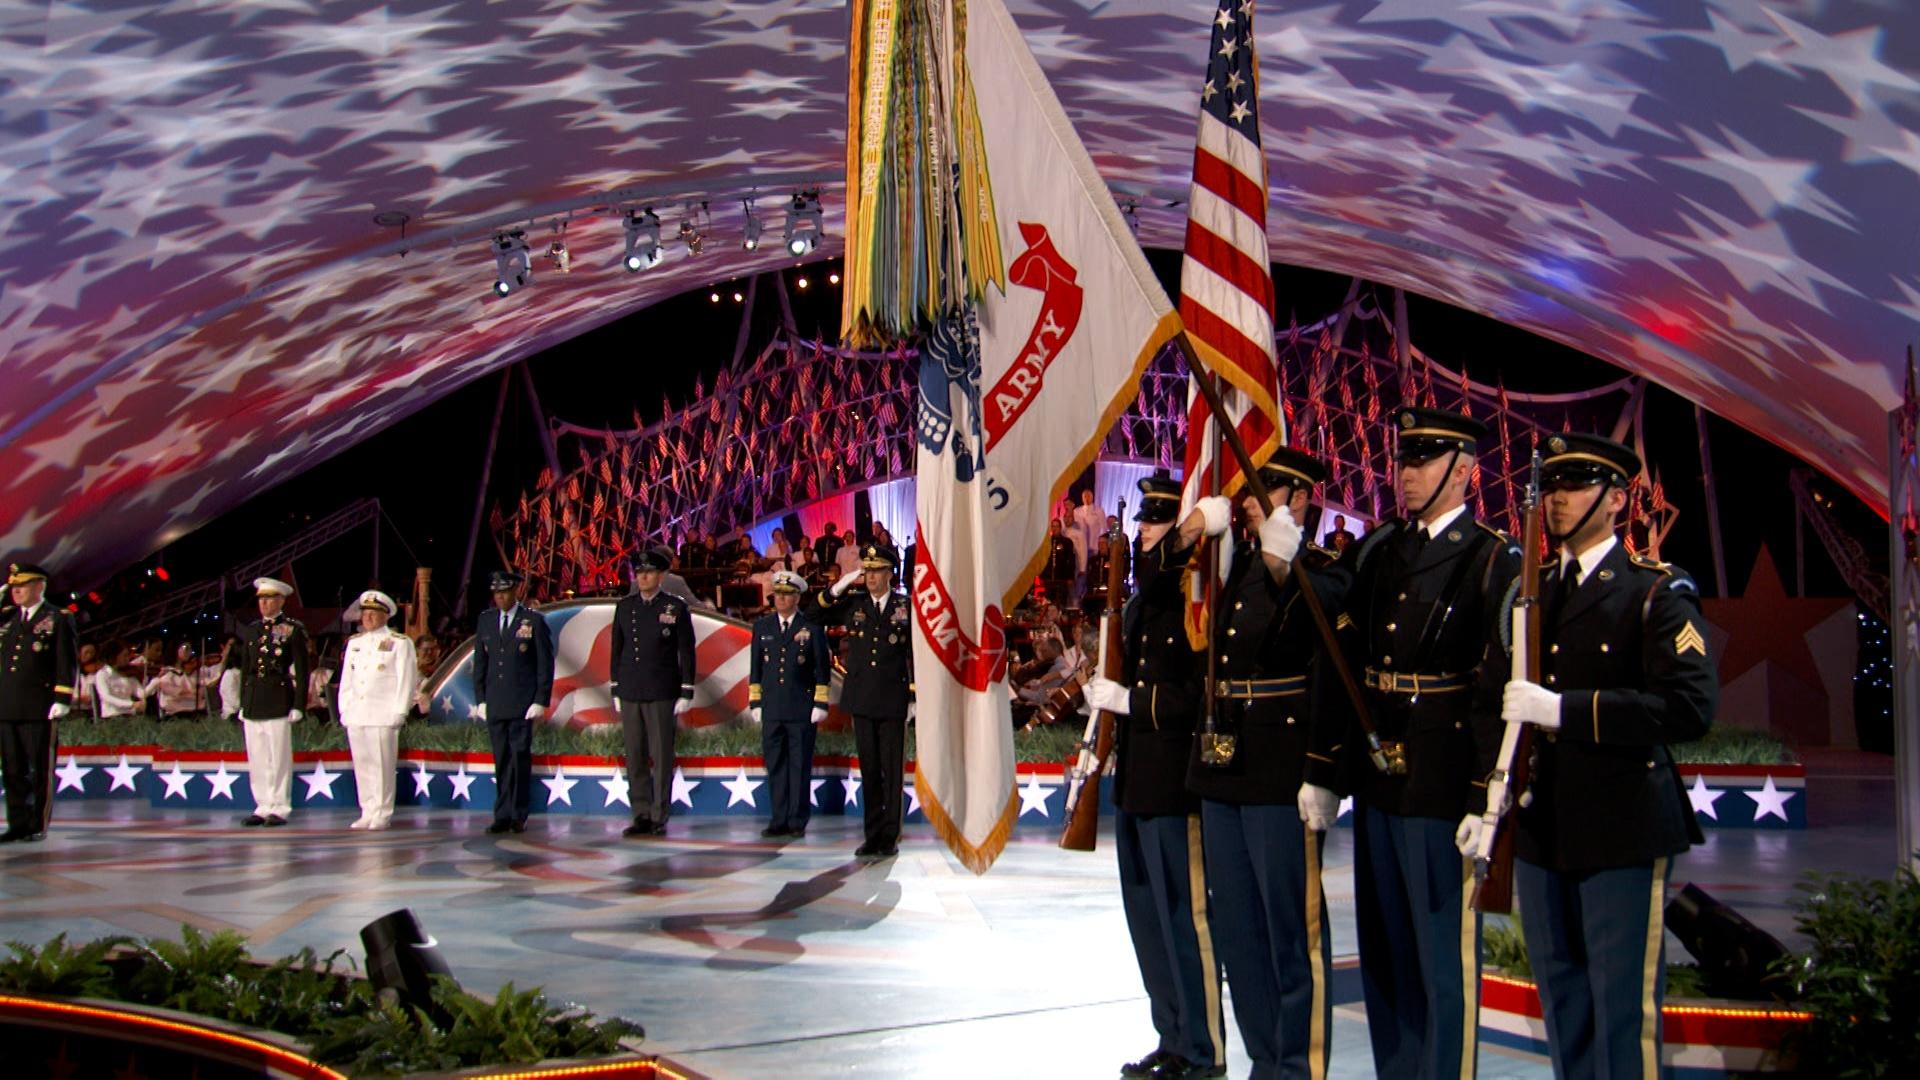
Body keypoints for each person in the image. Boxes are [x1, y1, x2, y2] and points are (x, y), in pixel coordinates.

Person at [1465, 434, 1716, 1077]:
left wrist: (1565, 710)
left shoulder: (1655, 592)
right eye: (1552, 487)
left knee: (1620, 1007)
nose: (1557, 500)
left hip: (1621, 824)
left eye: (1575, 486)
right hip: (1543, 824)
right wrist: (1483, 800)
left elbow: (1688, 708)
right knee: (1563, 999)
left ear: (1616, 501)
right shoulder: (1533, 589)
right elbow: (1493, 697)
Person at [1324, 406, 1521, 1079]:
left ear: (1463, 471)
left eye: (1423, 461)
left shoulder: (1494, 558)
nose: (1404, 475)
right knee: (1385, 950)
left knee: (1441, 957)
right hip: (1382, 777)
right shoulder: (1383, 549)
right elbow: (1345, 644)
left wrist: (1483, 796)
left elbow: (1498, 688)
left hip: (1442, 780)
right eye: (1403, 460)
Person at [1186, 451, 1350, 1080]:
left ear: (1301, 496)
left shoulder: (1319, 570)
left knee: (1291, 931)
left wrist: (1321, 768)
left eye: (1266, 486)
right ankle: (1264, 1060)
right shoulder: (1243, 567)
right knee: (1237, 931)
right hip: (1228, 764)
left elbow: (1329, 655)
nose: (1249, 497)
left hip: (1281, 769)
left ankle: (1296, 1068)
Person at [1083, 474, 1228, 1080]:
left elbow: (1201, 696)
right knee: (1146, 920)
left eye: (1154, 521)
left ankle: (1204, 1048)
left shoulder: (1197, 602)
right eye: (1141, 520)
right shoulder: (1141, 601)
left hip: (1175, 784)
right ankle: (1171, 1036)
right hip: (1137, 780)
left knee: (1183, 919)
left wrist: (1130, 701)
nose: (1142, 530)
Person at [815, 544, 914, 860]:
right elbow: (814, 614)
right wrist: (840, 585)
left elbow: (915, 653)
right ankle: (872, 835)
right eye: (867, 571)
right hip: (861, 698)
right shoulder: (853, 604)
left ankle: (889, 834)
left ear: (889, 573)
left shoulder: (904, 606)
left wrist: (913, 695)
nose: (871, 577)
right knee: (869, 770)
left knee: (891, 770)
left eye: (877, 570)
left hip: (893, 697)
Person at [611, 546, 696, 838]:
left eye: (648, 572)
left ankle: (659, 815)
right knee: (634, 754)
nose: (643, 577)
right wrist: (615, 687)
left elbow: (686, 651)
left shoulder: (674, 607)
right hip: (631, 688)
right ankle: (641, 814)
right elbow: (617, 650)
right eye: (639, 573)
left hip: (662, 689)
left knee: (661, 754)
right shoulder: (625, 607)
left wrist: (686, 690)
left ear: (660, 575)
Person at [749, 569, 830, 839]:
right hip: (772, 708)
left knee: (799, 765)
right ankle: (778, 818)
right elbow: (756, 668)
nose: (781, 600)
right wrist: (756, 702)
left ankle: (797, 820)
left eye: (787, 595)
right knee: (775, 764)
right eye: (778, 595)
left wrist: (820, 703)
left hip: (800, 708)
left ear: (797, 597)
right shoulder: (762, 627)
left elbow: (822, 668)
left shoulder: (811, 628)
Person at [224, 577, 312, 828]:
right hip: (254, 699)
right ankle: (262, 804)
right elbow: (246, 669)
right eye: (261, 599)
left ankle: (280, 806)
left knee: (278, 757)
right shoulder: (252, 630)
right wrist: (242, 704)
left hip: (277, 698)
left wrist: (298, 705)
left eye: (269, 599)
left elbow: (302, 672)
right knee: (258, 756)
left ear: (281, 601)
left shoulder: (291, 629)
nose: (264, 604)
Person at [472, 569, 554, 835]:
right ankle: (502, 814)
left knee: (519, 757)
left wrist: (540, 699)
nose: (500, 597)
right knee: (501, 759)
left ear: (515, 592)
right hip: (496, 702)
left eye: (504, 592)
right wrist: (481, 699)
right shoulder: (485, 621)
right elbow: (480, 664)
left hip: (522, 703)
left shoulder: (532, 621)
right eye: (496, 593)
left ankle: (518, 814)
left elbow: (544, 664)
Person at [1, 561, 78, 844]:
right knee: (12, 769)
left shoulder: (58, 617)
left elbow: (66, 661)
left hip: (39, 705)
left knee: (39, 768)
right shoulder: (7, 617)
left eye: (21, 586)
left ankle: (36, 825)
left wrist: (62, 698)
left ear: (39, 586)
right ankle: (17, 823)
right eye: (13, 587)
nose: (16, 591)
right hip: (7, 704)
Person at [337, 590, 418, 831]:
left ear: (385, 615)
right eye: (365, 613)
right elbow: (347, 680)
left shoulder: (399, 643)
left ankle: (382, 811)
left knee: (381, 765)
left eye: (373, 613)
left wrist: (400, 711)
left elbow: (406, 679)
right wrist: (345, 709)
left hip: (383, 713)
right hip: (357, 713)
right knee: (362, 763)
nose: (368, 618)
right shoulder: (355, 644)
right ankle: (367, 809)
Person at [144, 643, 202, 718]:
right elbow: (174, 693)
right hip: (173, 715)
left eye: (189, 649)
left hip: (187, 711)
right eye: (185, 648)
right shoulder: (168, 673)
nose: (189, 652)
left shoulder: (182, 673)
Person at [93, 643, 147, 718]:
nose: (128, 658)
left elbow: (140, 692)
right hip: (112, 716)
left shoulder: (128, 673)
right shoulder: (102, 674)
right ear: (114, 656)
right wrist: (131, 704)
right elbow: (106, 697)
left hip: (130, 715)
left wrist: (155, 682)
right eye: (124, 655)